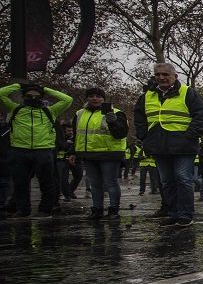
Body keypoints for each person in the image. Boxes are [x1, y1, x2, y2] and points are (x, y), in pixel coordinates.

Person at [134, 63, 203, 227]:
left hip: (183, 147)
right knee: (167, 181)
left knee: (183, 179)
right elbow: (139, 119)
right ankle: (174, 213)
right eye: (158, 75)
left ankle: (185, 215)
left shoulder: (188, 93)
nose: (161, 78)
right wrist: (146, 138)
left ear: (175, 76)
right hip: (159, 146)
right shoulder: (147, 96)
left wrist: (188, 137)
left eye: (165, 75)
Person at [0, 82, 73, 217]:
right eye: (29, 96)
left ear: (41, 98)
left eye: (37, 96)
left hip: (43, 150)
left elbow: (67, 99)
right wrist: (18, 85)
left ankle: (45, 209)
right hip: (19, 150)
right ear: (23, 97)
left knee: (47, 183)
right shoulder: (15, 108)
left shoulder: (50, 111)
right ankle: (23, 210)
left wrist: (45, 88)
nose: (33, 98)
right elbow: (1, 93)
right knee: (20, 183)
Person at [72, 87, 129, 219]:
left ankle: (113, 209)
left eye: (98, 96)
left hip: (109, 154)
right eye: (91, 96)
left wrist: (113, 122)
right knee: (95, 184)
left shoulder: (117, 112)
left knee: (111, 182)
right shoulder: (80, 113)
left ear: (104, 99)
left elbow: (121, 134)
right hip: (89, 154)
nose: (95, 98)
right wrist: (74, 152)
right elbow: (77, 135)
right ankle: (97, 209)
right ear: (87, 98)